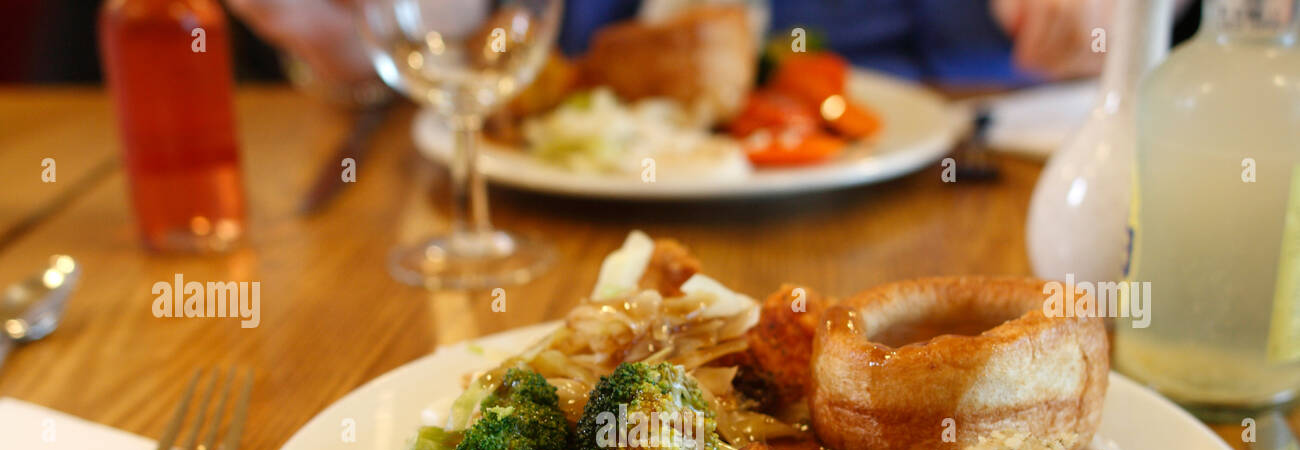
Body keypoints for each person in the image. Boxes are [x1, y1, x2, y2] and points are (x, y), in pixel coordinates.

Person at [224, 0, 1144, 94]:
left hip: (936, 179)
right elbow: (450, 37)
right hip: (569, 220)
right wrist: (342, 48)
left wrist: (1110, 19)